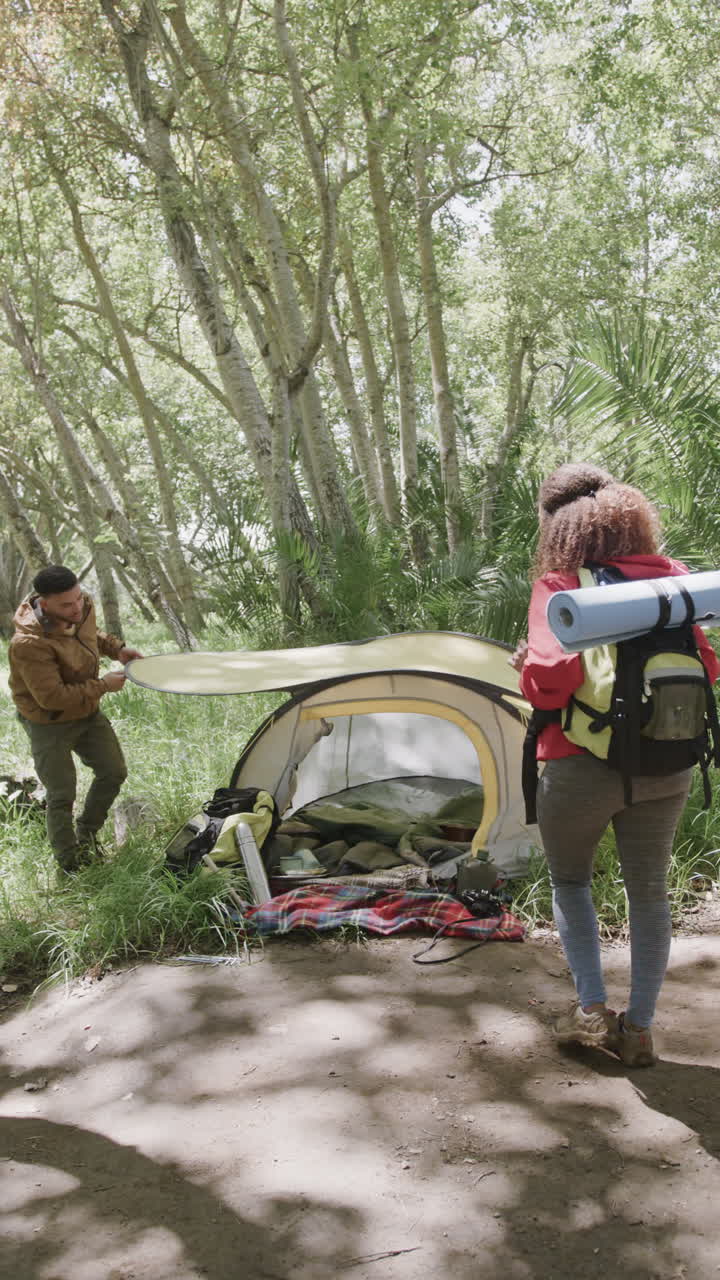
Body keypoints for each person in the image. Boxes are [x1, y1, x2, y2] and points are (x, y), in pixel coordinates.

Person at [513, 463, 719, 1067]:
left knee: (572, 882)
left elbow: (550, 687)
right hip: (669, 763)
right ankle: (641, 1031)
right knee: (649, 894)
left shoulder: (563, 585)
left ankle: (591, 1012)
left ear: (559, 528)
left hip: (582, 769)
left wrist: (526, 663)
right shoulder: (677, 581)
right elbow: (707, 670)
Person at [8, 565, 143, 873]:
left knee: (113, 772)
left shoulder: (79, 607)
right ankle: (70, 866)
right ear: (44, 602)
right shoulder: (28, 644)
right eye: (67, 604)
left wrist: (117, 649)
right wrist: (104, 686)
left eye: (79, 599)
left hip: (87, 711)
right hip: (48, 722)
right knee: (61, 794)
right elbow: (52, 697)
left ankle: (87, 833)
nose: (77, 607)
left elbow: (87, 635)